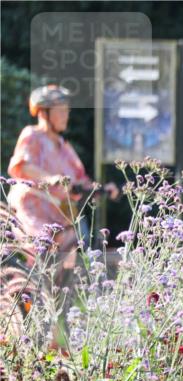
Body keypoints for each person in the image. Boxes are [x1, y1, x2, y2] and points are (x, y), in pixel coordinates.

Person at [5, 84, 119, 277]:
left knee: (68, 263)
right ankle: (26, 296)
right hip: (32, 213)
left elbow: (80, 180)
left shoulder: (64, 147)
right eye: (61, 111)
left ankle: (59, 299)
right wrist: (49, 179)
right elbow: (21, 166)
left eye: (67, 110)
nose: (66, 115)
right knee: (40, 254)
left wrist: (102, 189)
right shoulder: (32, 135)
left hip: (60, 217)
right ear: (43, 113)